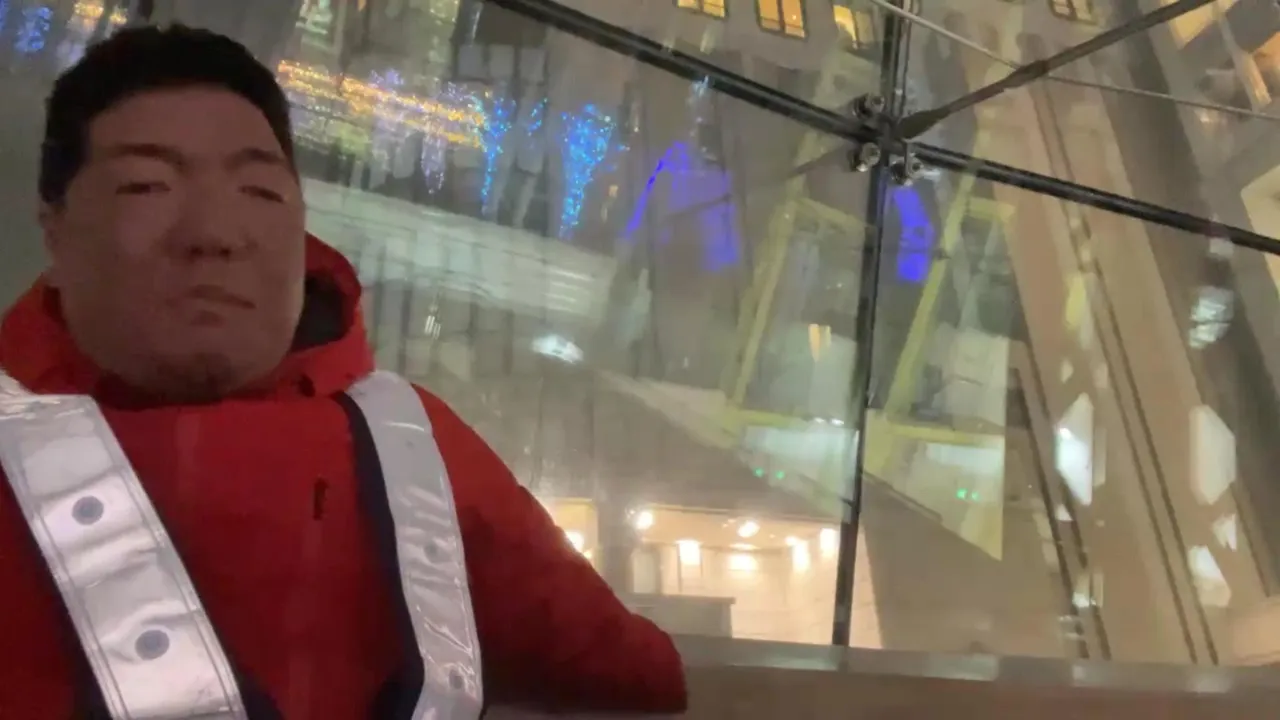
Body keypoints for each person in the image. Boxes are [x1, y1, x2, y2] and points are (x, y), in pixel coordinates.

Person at [0, 24, 686, 720]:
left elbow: (640, 683)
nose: (215, 233)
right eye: (146, 186)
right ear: (54, 227)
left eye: (260, 191)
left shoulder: (414, 445)